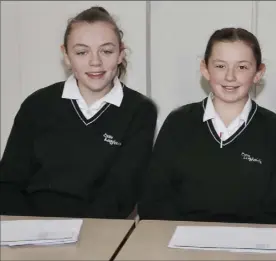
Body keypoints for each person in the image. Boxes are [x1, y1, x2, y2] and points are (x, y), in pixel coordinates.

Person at [0, 6, 157, 219]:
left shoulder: (139, 110)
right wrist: (30, 227)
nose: (95, 62)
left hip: (97, 230)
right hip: (30, 227)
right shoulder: (37, 104)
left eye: (106, 51)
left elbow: (122, 190)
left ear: (121, 53)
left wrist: (79, 234)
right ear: (66, 55)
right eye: (82, 52)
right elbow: (8, 182)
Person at [138, 27, 276, 224]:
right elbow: (153, 200)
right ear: (205, 69)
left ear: (258, 73)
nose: (230, 76)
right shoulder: (178, 122)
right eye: (220, 66)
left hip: (250, 245)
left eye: (242, 67)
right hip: (182, 242)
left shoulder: (272, 129)